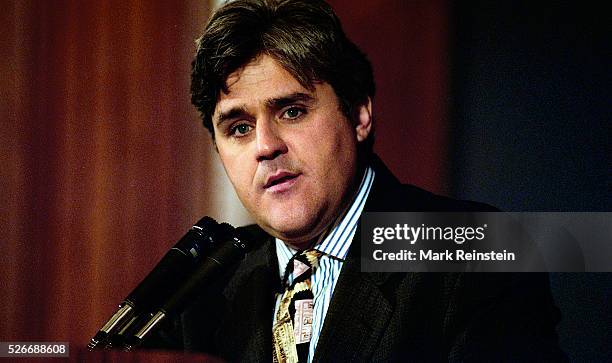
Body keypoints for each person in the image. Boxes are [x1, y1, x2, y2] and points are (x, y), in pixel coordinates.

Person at [150, 0, 565, 361]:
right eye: (239, 128)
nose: (265, 145)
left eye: (291, 112)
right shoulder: (205, 287)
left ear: (360, 114)